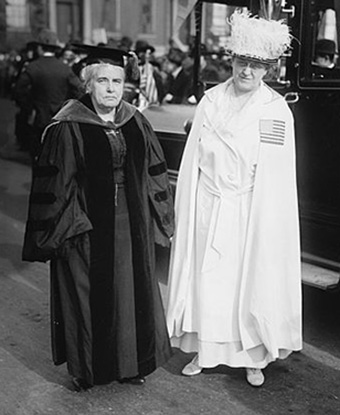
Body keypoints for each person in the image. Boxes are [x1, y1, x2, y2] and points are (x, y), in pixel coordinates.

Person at [22, 45, 174, 391]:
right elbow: (58, 183)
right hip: (84, 226)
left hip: (131, 225)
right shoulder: (68, 124)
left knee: (131, 295)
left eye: (117, 81)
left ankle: (130, 364)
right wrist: (68, 227)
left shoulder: (136, 120)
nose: (110, 88)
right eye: (102, 80)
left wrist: (162, 219)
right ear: (88, 85)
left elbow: (154, 174)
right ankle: (87, 369)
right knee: (86, 295)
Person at [166, 10, 302, 388]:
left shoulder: (275, 111)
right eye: (243, 62)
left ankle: (253, 358)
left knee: (248, 282)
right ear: (232, 61)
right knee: (207, 281)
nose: (247, 72)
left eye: (257, 66)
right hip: (210, 204)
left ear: (268, 70)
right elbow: (193, 157)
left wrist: (267, 222)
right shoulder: (210, 101)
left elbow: (276, 175)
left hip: (248, 210)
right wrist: (189, 209)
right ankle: (204, 352)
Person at [14, 29, 84, 161]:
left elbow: (18, 91)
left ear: (39, 48)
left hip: (38, 119)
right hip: (60, 120)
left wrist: (29, 108)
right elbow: (79, 91)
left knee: (38, 158)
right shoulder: (65, 69)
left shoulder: (33, 67)